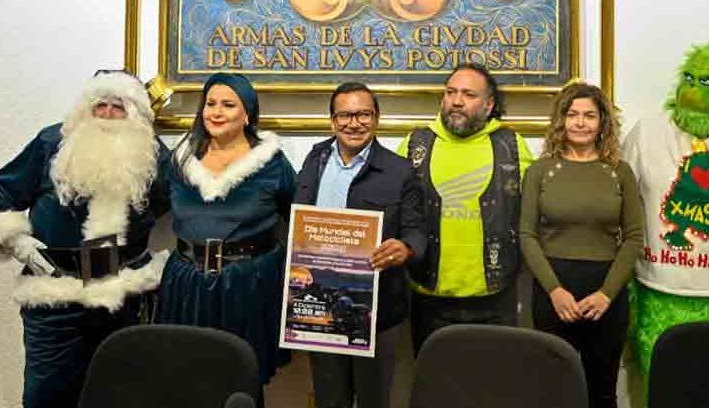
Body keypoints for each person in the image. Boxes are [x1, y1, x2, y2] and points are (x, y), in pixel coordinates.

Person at [0, 70, 169, 408]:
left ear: (134, 112)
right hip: (54, 296)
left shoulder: (152, 155)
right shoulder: (51, 143)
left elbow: (179, 202)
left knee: (119, 397)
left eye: (118, 106)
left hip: (122, 298)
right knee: (45, 397)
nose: (107, 114)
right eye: (100, 105)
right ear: (85, 107)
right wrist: (17, 242)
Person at [619, 40, 709, 404]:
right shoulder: (646, 133)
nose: (694, 87)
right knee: (663, 390)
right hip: (658, 292)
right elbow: (619, 200)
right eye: (689, 77)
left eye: (707, 81)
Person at [156, 72, 296, 401]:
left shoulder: (272, 163)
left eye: (228, 105)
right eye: (210, 104)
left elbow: (298, 215)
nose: (216, 112)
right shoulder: (179, 160)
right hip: (187, 284)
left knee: (243, 378)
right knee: (187, 379)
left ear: (247, 114)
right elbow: (151, 207)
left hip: (249, 284)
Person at [295, 82, 425, 408]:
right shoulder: (315, 159)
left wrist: (405, 248)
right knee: (329, 399)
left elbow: (417, 232)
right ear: (332, 121)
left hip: (377, 311)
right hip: (321, 308)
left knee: (373, 400)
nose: (354, 123)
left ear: (377, 118)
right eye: (345, 115)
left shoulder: (400, 171)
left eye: (363, 114)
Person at [396, 62, 534, 353]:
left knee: (493, 380)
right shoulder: (414, 144)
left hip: (495, 299)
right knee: (434, 379)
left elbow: (537, 213)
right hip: (428, 298)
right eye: (451, 92)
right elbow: (392, 208)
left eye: (469, 94)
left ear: (489, 105)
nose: (457, 101)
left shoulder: (512, 145)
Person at [521, 82, 644, 408]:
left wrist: (607, 294)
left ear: (603, 122)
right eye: (572, 114)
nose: (580, 122)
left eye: (589, 115)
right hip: (553, 292)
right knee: (552, 392)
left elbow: (634, 237)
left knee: (601, 392)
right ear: (561, 120)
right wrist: (555, 291)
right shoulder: (539, 171)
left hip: (605, 293)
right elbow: (527, 235)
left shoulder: (620, 172)